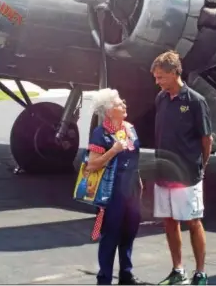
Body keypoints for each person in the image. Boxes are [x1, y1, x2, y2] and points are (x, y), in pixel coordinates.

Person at [150, 51, 213, 285]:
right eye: (156, 78)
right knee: (169, 220)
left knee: (193, 221)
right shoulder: (161, 99)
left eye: (161, 77)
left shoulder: (196, 101)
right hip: (163, 173)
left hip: (187, 175)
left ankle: (201, 273)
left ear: (175, 73)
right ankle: (178, 270)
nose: (157, 82)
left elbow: (207, 140)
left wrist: (200, 166)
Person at [87, 88, 144, 285]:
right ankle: (104, 279)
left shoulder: (130, 128)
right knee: (111, 234)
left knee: (130, 230)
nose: (124, 105)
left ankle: (126, 274)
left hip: (132, 188)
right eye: (120, 103)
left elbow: (135, 157)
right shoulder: (100, 133)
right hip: (112, 191)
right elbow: (92, 164)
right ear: (109, 111)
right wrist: (113, 150)